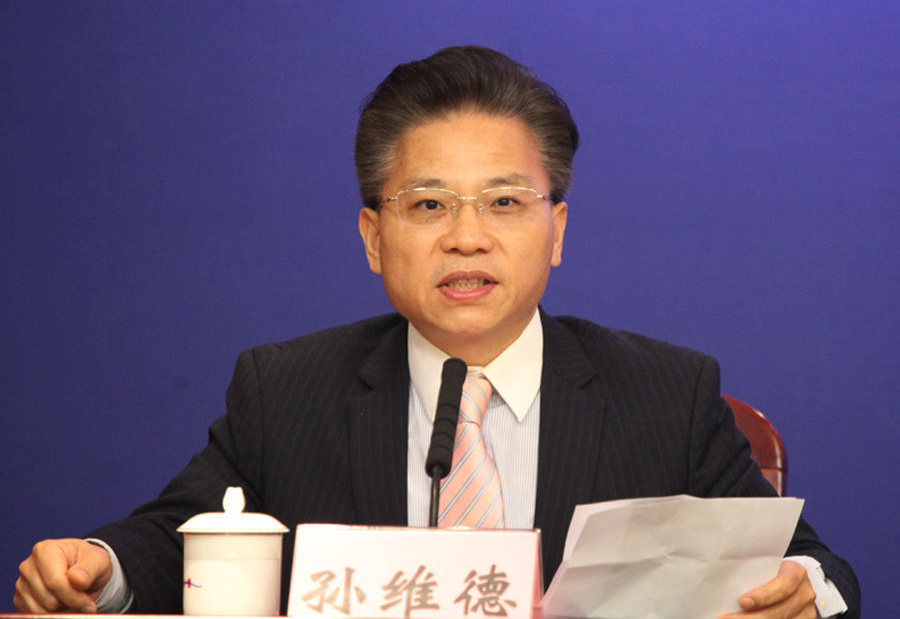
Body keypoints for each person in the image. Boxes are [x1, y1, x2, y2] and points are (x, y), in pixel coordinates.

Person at [15, 46, 859, 618]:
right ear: (373, 237)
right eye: (427, 205)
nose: (467, 238)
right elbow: (178, 539)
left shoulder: (665, 395)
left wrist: (801, 589)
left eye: (505, 202)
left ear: (557, 232)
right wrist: (95, 568)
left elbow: (815, 567)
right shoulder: (287, 390)